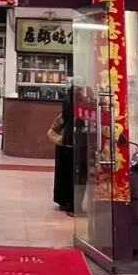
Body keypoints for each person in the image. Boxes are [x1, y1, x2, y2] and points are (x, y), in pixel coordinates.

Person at [48, 87, 75, 215]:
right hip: (71, 143)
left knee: (63, 173)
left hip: (64, 142)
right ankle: (70, 204)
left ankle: (62, 201)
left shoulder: (66, 101)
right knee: (71, 175)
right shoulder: (76, 104)